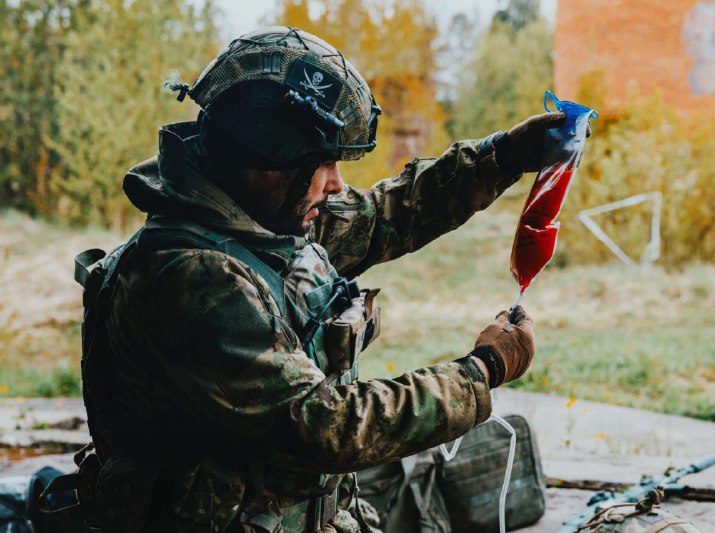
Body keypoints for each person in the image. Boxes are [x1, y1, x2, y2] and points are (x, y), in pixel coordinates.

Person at [78, 26, 566, 532]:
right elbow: (326, 424)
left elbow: (385, 216)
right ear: (270, 161)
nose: (337, 183)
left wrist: (505, 154)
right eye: (324, 163)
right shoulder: (191, 277)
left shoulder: (261, 219)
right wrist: (482, 369)